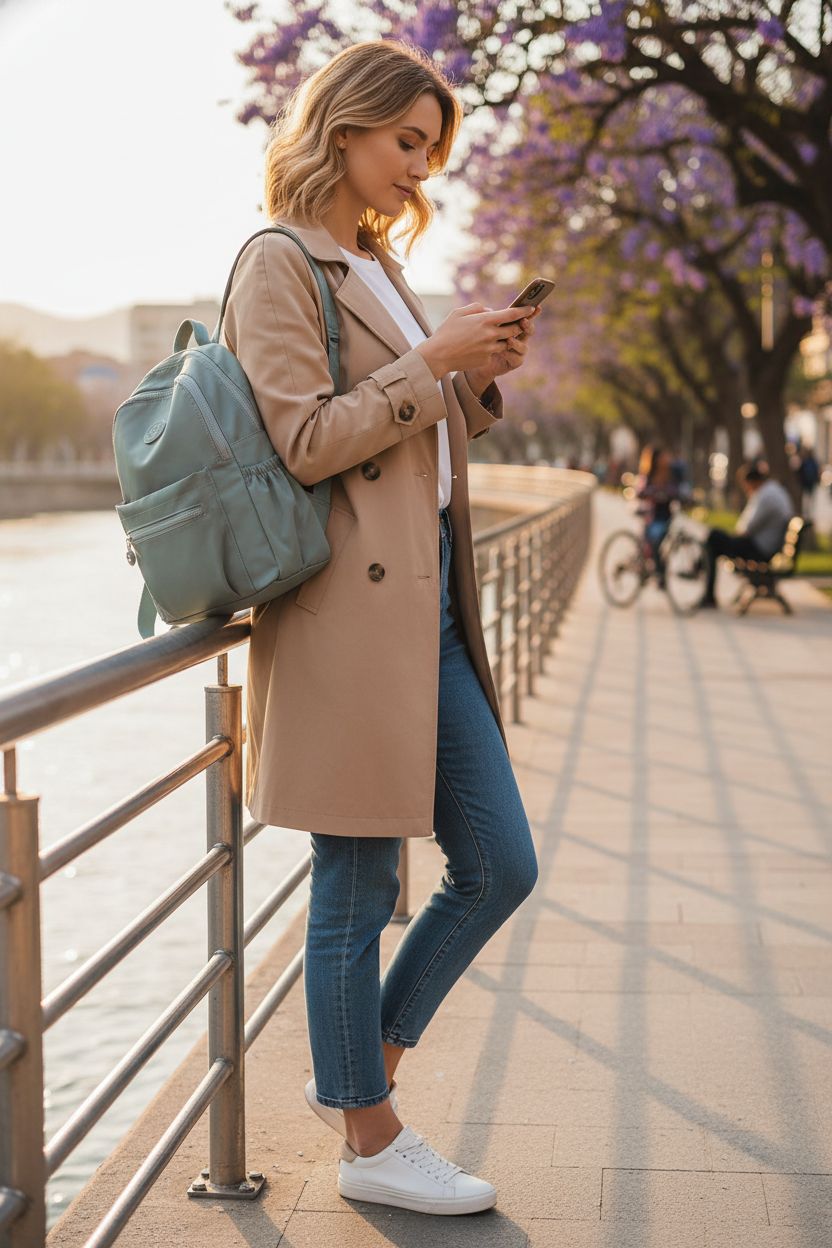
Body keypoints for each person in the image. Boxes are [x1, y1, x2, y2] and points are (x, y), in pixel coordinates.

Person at [220, 40, 541, 1215]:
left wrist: (472, 376)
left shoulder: (372, 259)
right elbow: (307, 441)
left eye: (430, 150)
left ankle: (361, 1068)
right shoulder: (278, 261)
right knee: (356, 880)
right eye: (406, 142)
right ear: (343, 127)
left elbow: (408, 430)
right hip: (348, 621)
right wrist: (429, 360)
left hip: (429, 614)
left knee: (500, 864)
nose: (419, 169)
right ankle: (370, 1137)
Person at [700, 460, 793, 607]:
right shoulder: (773, 490)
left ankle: (705, 586)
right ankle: (701, 572)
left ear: (751, 482)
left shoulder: (766, 496)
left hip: (761, 549)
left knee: (714, 537)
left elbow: (747, 528)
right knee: (715, 538)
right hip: (766, 545)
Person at [634, 443, 690, 588]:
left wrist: (673, 495)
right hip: (651, 515)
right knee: (652, 543)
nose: (665, 459)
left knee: (660, 543)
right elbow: (640, 491)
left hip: (665, 515)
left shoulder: (672, 473)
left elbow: (679, 489)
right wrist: (654, 493)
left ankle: (659, 572)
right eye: (661, 457)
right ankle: (654, 573)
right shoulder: (649, 474)